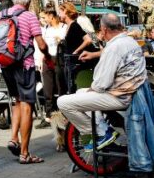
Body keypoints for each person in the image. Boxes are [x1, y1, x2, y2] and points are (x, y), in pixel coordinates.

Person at [58, 13, 147, 151]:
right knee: (81, 92)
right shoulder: (130, 42)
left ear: (104, 29)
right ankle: (102, 128)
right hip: (133, 92)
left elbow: (101, 84)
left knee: (63, 102)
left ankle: (101, 133)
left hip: (120, 97)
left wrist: (91, 89)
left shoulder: (114, 47)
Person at [0, 0, 46, 164]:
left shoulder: (1, 15)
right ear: (28, 2)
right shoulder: (29, 16)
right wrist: (49, 56)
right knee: (27, 104)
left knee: (17, 101)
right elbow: (40, 43)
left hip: (5, 63)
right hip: (24, 65)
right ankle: (24, 153)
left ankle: (13, 138)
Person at [41, 9, 67, 118]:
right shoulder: (45, 29)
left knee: (60, 85)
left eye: (44, 17)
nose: (43, 20)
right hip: (47, 58)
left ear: (51, 16)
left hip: (59, 57)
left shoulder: (63, 27)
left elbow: (66, 41)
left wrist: (60, 40)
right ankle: (49, 113)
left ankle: (63, 111)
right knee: (48, 87)